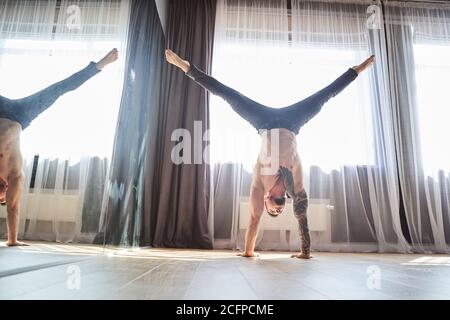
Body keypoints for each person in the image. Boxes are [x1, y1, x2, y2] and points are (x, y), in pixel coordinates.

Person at [165, 49, 375, 259]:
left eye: (275, 209)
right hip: (293, 122)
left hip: (262, 122)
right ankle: (357, 69)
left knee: (227, 94)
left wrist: (249, 252)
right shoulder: (293, 184)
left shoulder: (259, 185)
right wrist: (305, 252)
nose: (280, 208)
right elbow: (301, 216)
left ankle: (187, 67)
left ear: (266, 200)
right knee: (324, 95)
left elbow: (255, 220)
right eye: (281, 209)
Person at [0, 49, 119, 246]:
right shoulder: (16, 174)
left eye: (1, 197)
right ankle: (100, 65)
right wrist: (13, 240)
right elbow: (13, 207)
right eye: (3, 197)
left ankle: (98, 65)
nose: (2, 194)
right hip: (21, 115)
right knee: (58, 90)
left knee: (59, 88)